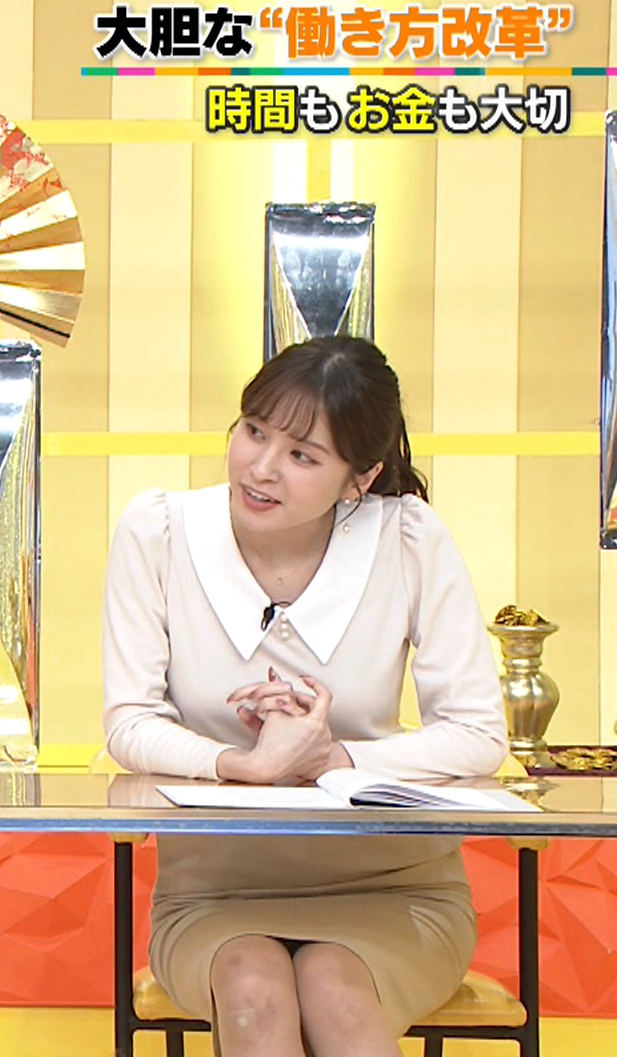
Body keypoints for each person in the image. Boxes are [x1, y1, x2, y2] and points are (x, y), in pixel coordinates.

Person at [101, 337, 509, 1057]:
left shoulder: (409, 538)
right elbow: (129, 722)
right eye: (254, 430)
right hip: (215, 891)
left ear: (361, 477)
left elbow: (478, 735)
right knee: (253, 988)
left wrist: (333, 757)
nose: (261, 468)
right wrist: (243, 765)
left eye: (303, 455)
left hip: (395, 885)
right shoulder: (158, 532)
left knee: (335, 989)